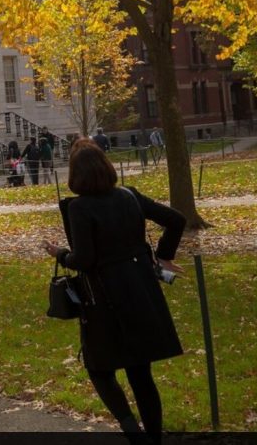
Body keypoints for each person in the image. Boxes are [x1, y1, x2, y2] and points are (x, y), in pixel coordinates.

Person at [42, 138, 186, 444]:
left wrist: (60, 254)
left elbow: (85, 260)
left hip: (104, 300)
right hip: (140, 291)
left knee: (99, 368)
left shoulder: (80, 208)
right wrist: (164, 255)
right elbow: (175, 220)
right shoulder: (129, 196)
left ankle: (132, 431)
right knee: (140, 372)